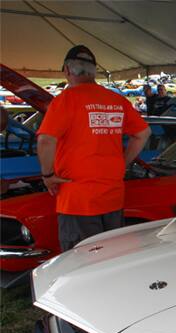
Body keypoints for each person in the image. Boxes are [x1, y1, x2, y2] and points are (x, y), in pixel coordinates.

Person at [36, 45, 151, 251]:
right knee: (110, 259)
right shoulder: (117, 100)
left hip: (78, 200)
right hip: (112, 198)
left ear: (67, 70)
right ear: (93, 71)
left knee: (81, 264)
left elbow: (45, 140)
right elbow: (142, 134)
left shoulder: (65, 100)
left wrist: (48, 174)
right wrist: (121, 163)